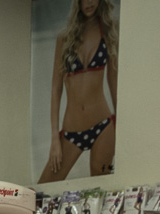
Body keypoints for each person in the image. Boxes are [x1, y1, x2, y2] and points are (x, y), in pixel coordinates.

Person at [39, 0, 118, 183]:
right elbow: (56, 89)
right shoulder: (64, 38)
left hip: (103, 126)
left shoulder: (108, 30)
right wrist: (55, 140)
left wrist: (121, 126)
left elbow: (113, 80)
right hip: (71, 132)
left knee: (100, 188)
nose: (89, 2)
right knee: (43, 187)